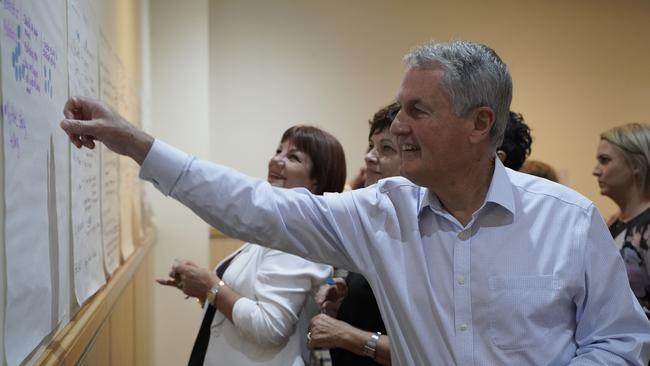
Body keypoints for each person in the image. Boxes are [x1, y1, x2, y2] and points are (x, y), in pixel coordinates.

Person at [61, 40, 650, 365]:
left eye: (417, 111)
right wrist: (138, 146)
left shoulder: (567, 221)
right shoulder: (383, 212)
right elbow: (255, 207)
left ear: (480, 124)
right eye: (399, 109)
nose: (395, 127)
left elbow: (622, 343)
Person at [156, 125, 345, 365]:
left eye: (293, 157)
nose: (276, 160)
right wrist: (200, 288)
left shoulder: (296, 240)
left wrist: (210, 287)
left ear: (317, 182)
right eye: (278, 151)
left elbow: (270, 326)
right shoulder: (276, 228)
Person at [310, 102, 400, 366]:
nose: (370, 156)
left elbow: (426, 350)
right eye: (370, 146)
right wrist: (348, 298)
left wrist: (346, 335)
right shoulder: (379, 221)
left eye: (386, 148)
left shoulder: (423, 234)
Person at [593, 123, 650, 317]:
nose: (596, 171)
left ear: (636, 164)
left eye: (605, 160)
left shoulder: (647, 226)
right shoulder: (612, 224)